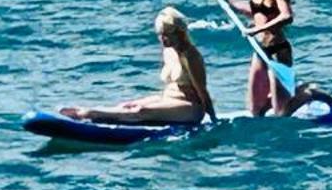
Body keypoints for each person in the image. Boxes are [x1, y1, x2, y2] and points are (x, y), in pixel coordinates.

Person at [226, 0, 332, 117]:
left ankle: (310, 93)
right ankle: (293, 93)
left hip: (278, 50)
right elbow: (257, 11)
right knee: (255, 109)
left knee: (280, 112)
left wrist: (256, 30)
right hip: (260, 50)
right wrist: (229, 1)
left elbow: (286, 16)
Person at [62, 7, 217, 127]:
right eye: (160, 34)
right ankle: (93, 115)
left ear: (179, 33)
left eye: (166, 34)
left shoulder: (191, 56)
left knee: (140, 111)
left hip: (190, 108)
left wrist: (213, 118)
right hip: (167, 99)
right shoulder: (168, 51)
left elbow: (201, 91)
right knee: (128, 105)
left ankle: (88, 113)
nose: (162, 39)